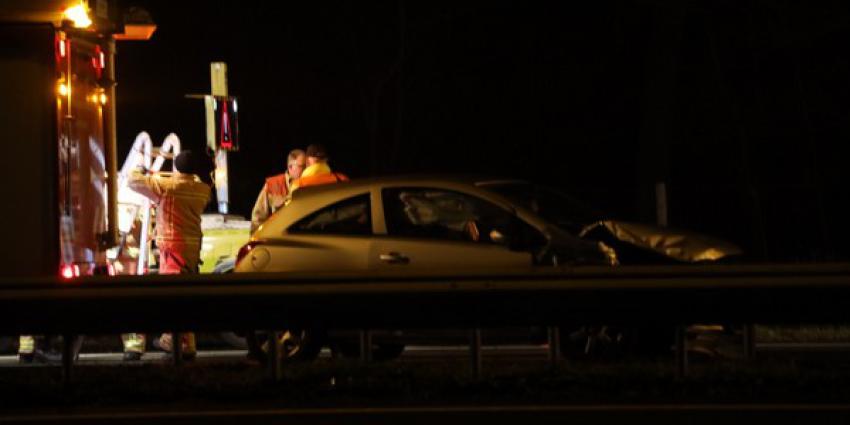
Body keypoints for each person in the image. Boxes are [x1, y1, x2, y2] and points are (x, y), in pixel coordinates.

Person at [122, 150, 211, 361]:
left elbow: (133, 182)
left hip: (172, 250)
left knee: (173, 299)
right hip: (192, 251)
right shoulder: (202, 189)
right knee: (185, 297)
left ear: (177, 168)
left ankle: (174, 341)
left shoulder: (168, 187)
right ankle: (186, 343)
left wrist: (142, 169)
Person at [250, 149, 305, 233]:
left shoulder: (309, 185)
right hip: (278, 240)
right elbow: (258, 218)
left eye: (308, 166)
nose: (306, 170)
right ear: (290, 167)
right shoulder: (273, 184)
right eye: (302, 166)